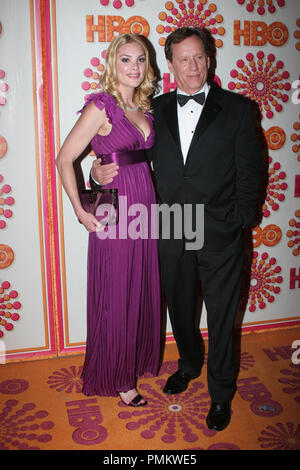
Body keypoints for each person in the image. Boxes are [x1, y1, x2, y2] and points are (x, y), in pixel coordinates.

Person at [91, 27, 261, 431]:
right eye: (183, 58)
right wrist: (96, 173)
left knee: (221, 317)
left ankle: (220, 394)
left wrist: (237, 220)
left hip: (221, 232)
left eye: (199, 57)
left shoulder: (239, 109)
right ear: (169, 65)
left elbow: (252, 175)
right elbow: (123, 150)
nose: (193, 66)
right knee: (181, 310)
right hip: (170, 228)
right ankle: (187, 365)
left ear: (209, 59)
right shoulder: (154, 109)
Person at [56, 33, 161, 407]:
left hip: (144, 205)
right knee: (117, 292)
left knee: (139, 286)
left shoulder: (145, 107)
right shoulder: (103, 106)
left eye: (141, 60)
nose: (134, 67)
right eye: (126, 59)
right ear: (112, 64)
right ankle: (119, 378)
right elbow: (64, 158)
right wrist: (81, 210)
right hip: (115, 210)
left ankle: (134, 361)